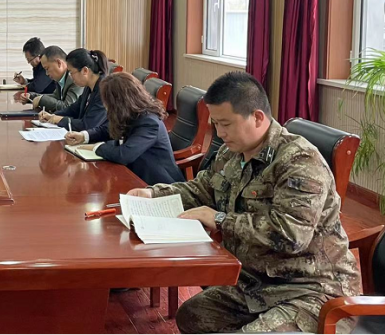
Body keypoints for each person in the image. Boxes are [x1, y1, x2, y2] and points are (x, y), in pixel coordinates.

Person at [128, 71, 360, 333]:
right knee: (193, 317)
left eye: (226, 124)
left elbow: (292, 236)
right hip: (257, 282)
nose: (219, 133)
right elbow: (202, 189)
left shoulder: (299, 162)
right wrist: (152, 194)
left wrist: (219, 219)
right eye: (216, 123)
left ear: (257, 117)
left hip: (311, 290)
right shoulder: (231, 152)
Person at [64, 72, 183, 185]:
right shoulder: (130, 113)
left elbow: (124, 155)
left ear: (118, 102)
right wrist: (84, 136)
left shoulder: (149, 123)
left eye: (106, 101)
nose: (105, 105)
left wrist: (96, 147)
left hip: (158, 185)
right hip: (133, 176)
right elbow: (107, 130)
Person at [38, 48, 108, 140]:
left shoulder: (104, 90)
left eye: (71, 72)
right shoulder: (88, 87)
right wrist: (52, 116)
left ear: (85, 71)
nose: (70, 77)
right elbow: (73, 109)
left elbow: (87, 125)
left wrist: (60, 120)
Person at [24, 45, 82, 113]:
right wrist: (31, 96)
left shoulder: (75, 78)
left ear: (59, 63)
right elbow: (55, 96)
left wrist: (41, 100)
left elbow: (67, 107)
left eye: (47, 68)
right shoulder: (61, 77)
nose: (46, 73)